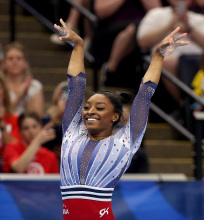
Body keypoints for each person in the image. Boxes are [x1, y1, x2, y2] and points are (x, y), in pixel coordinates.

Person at [54, 19, 189, 219]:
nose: (90, 111)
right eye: (87, 107)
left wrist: (158, 56)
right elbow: (76, 86)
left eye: (100, 108)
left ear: (115, 116)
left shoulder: (124, 142)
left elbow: (144, 94)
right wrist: (79, 46)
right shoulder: (71, 133)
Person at [137, 0, 204, 107]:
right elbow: (143, 42)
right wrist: (170, 26)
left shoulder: (199, 18)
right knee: (168, 61)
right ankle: (184, 106)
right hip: (168, 58)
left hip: (197, 61)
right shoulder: (156, 14)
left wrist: (189, 29)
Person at [92, 0, 162, 87]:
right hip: (113, 28)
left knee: (143, 30)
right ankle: (110, 68)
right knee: (133, 29)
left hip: (143, 26)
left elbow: (158, 12)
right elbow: (100, 11)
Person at [1, 42, 44, 117]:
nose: (15, 61)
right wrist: (18, 96)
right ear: (4, 63)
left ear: (25, 63)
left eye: (19, 58)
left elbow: (38, 117)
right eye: (10, 58)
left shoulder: (35, 86)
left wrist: (26, 95)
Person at [42, 81, 69, 161]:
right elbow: (44, 144)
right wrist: (56, 117)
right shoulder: (48, 119)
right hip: (51, 160)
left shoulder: (84, 121)